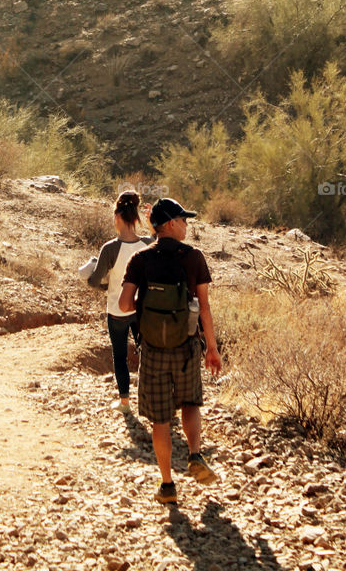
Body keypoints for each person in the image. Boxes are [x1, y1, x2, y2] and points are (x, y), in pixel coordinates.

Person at [119, 196, 223, 506]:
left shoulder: (140, 259)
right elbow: (204, 308)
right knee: (190, 402)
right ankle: (195, 454)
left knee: (160, 421)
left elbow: (124, 305)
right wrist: (212, 348)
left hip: (153, 350)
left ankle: (167, 485)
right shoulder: (193, 257)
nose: (187, 225)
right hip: (186, 347)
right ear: (171, 224)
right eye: (184, 220)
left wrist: (147, 308)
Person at [83, 190, 154, 410]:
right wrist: (152, 226)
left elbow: (94, 281)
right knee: (147, 353)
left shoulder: (110, 248)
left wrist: (104, 286)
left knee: (120, 356)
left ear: (117, 217)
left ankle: (124, 402)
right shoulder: (147, 243)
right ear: (136, 218)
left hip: (117, 310)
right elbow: (159, 238)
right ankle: (150, 398)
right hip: (141, 309)